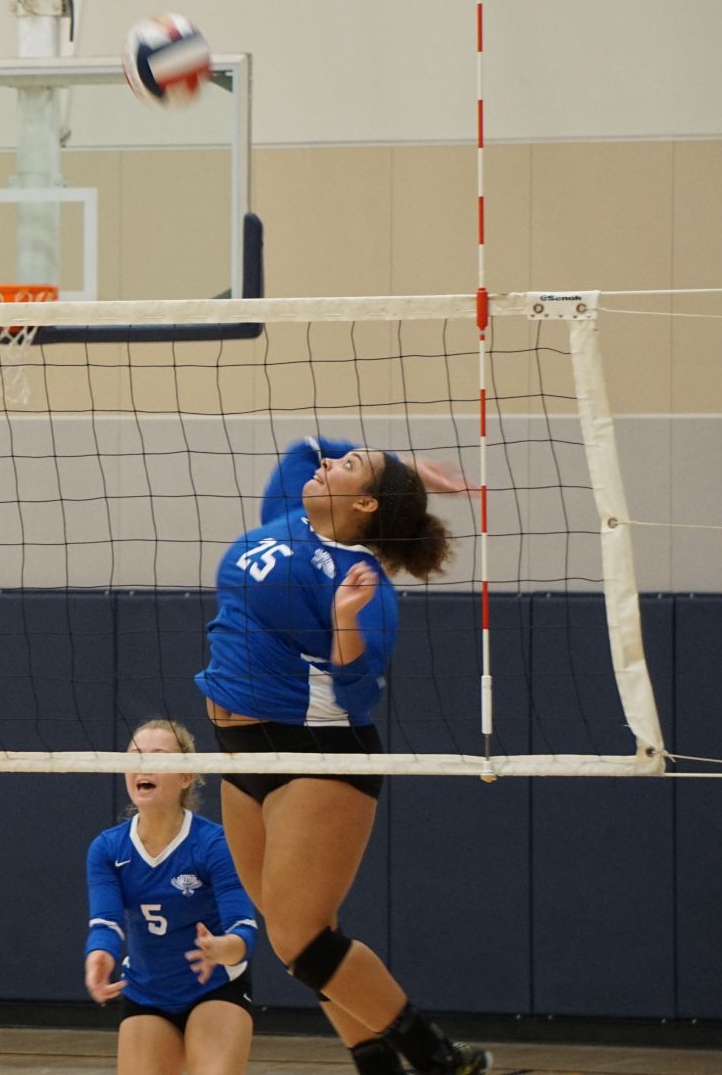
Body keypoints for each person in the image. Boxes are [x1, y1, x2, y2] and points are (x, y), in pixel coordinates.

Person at [196, 436, 487, 1075]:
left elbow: (355, 688)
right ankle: (374, 1061)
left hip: (318, 752)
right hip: (242, 753)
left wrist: (348, 621)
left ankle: (437, 1058)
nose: (329, 463)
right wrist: (409, 469)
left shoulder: (365, 583)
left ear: (362, 503)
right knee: (294, 933)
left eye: (348, 467)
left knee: (298, 937)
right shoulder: (292, 511)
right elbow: (306, 447)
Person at [84, 719, 258, 1075]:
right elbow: (106, 921)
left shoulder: (214, 844)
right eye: (135, 756)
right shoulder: (107, 848)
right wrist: (99, 954)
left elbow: (244, 928)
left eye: (158, 756)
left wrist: (225, 947)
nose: (143, 765)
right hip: (146, 993)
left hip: (214, 987)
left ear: (186, 776)